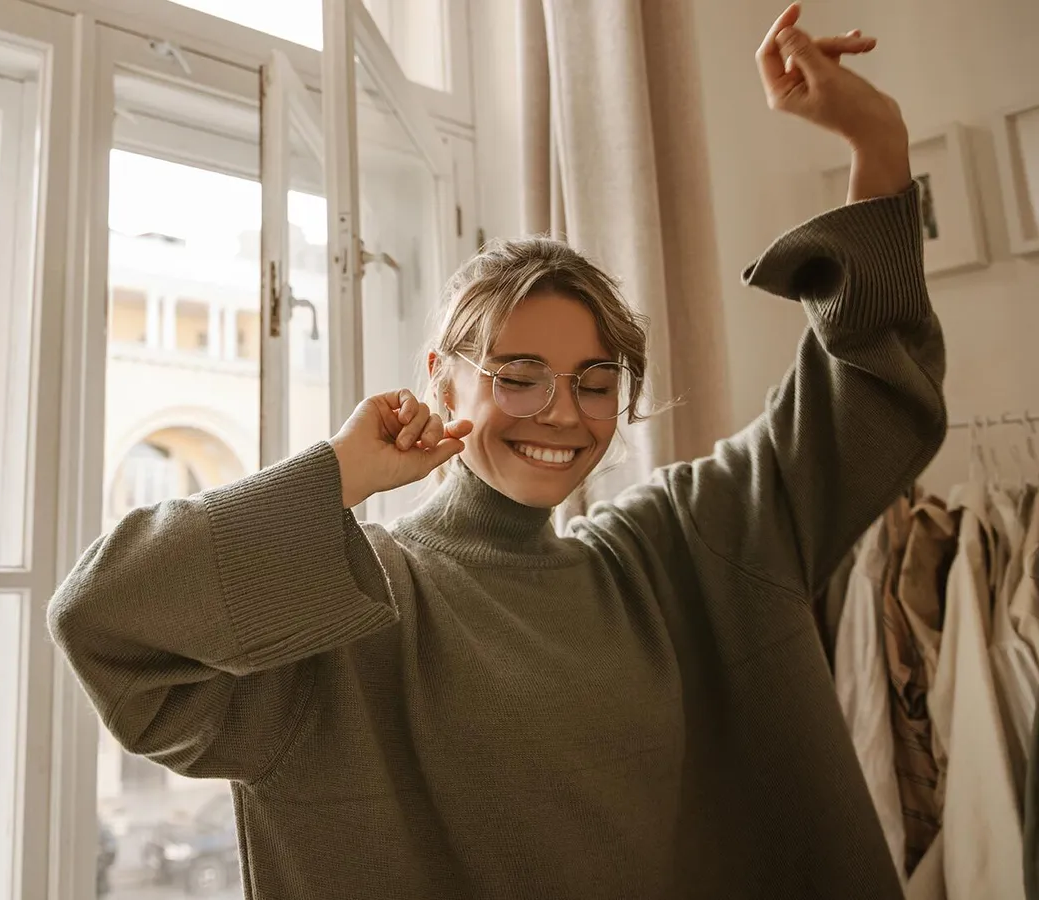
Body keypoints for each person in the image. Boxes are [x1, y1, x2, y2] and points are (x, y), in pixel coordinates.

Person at [49, 4, 944, 898]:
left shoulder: (672, 553)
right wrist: (340, 475)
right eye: (520, 374)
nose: (563, 414)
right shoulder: (354, 603)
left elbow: (867, 407)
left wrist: (876, 140)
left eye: (596, 381)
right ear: (444, 379)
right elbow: (106, 621)